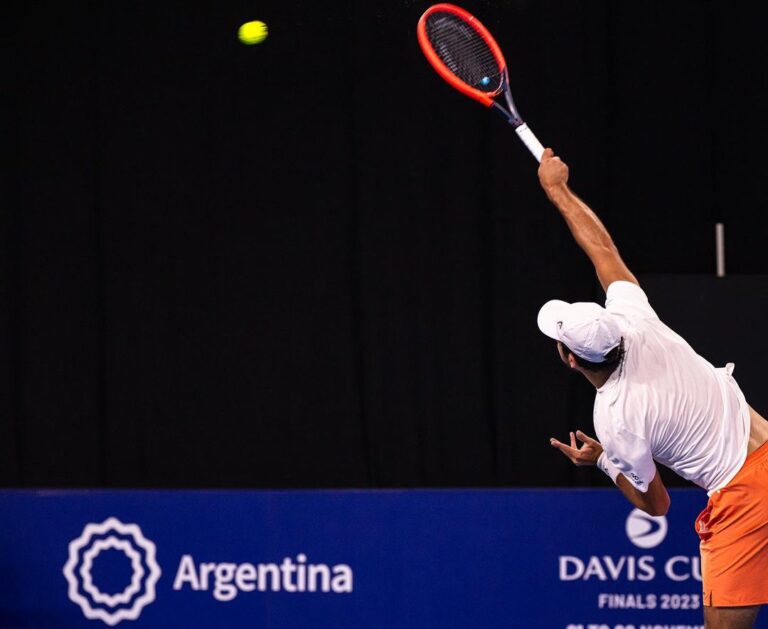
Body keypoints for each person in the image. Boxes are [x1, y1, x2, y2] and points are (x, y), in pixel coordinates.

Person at [536, 148, 768, 629]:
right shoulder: (634, 318)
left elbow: (658, 505)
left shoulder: (616, 417)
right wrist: (558, 189)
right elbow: (602, 250)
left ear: (571, 359)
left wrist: (603, 460)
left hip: (744, 498)